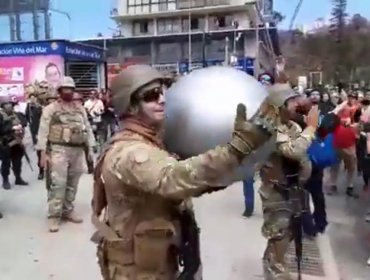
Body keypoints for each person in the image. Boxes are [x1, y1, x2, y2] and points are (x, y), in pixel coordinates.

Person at [91, 65, 279, 280]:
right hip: (137, 272)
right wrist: (236, 149)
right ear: (130, 105)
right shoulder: (129, 152)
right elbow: (172, 179)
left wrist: (226, 172)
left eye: (163, 92)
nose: (162, 99)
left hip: (157, 263)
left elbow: (185, 181)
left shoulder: (152, 143)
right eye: (152, 95)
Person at [259, 83, 319, 280]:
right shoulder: (272, 128)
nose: (296, 104)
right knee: (279, 234)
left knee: (290, 232)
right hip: (277, 192)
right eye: (291, 101)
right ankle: (276, 270)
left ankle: (272, 261)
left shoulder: (291, 125)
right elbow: (293, 151)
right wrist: (310, 128)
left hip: (294, 190)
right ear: (279, 105)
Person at [37, 76, 95, 232]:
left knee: (73, 182)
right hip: (58, 149)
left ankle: (68, 209)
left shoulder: (79, 108)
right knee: (58, 183)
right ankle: (54, 216)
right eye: (65, 89)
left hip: (77, 150)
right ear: (60, 90)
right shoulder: (51, 109)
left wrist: (91, 148)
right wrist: (43, 153)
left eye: (71, 89)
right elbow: (43, 131)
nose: (68, 91)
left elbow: (87, 128)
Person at [0, 96, 28, 189]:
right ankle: (5, 180)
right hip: (6, 143)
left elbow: (24, 121)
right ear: (2, 106)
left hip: (17, 142)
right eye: (6, 104)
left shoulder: (17, 114)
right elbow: (2, 129)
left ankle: (18, 178)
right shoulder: (1, 117)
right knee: (6, 163)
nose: (8, 106)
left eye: (10, 104)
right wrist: (12, 127)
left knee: (17, 162)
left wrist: (20, 125)